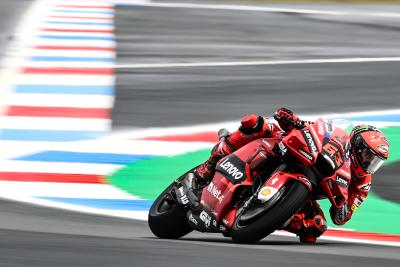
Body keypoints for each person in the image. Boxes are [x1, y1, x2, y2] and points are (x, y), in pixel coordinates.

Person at [193, 108, 390, 243]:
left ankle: (273, 217)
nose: (369, 164)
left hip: (308, 190)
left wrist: (342, 204)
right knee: (256, 123)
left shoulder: (363, 184)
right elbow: (312, 127)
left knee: (315, 228)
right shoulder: (339, 136)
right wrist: (291, 119)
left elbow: (342, 217)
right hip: (290, 151)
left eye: (375, 161)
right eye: (367, 156)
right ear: (356, 145)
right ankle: (209, 166)